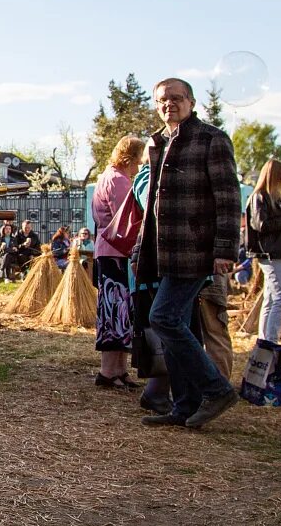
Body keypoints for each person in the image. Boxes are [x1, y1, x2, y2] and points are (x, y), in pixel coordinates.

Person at [137, 79, 242, 429]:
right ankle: (184, 406)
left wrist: (225, 250)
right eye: (163, 100)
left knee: (163, 318)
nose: (170, 104)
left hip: (195, 248)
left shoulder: (212, 138)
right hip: (163, 251)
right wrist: (141, 248)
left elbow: (228, 199)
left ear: (191, 102)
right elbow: (152, 202)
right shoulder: (157, 142)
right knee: (180, 325)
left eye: (177, 98)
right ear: (156, 105)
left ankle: (217, 389)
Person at [92, 136, 145, 390]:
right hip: (116, 251)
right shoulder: (117, 180)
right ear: (131, 157)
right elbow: (125, 221)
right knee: (115, 310)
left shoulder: (109, 177)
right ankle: (108, 370)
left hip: (111, 250)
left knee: (121, 310)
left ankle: (119, 370)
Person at [245, 158, 281, 344]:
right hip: (269, 253)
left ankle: (265, 341)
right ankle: (271, 341)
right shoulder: (260, 197)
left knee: (271, 297)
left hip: (277, 252)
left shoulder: (272, 198)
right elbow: (261, 225)